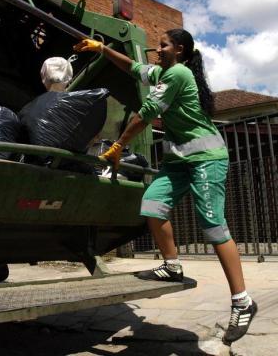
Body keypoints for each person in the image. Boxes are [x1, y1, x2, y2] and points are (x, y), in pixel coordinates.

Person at [74, 29, 257, 344]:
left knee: (212, 225)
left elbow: (145, 115)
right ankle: (172, 266)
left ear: (180, 50)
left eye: (163, 45)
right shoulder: (162, 72)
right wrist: (103, 49)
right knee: (153, 205)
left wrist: (118, 146)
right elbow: (132, 68)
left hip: (205, 158)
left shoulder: (178, 74)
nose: (156, 49)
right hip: (178, 160)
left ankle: (242, 301)